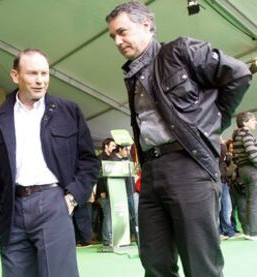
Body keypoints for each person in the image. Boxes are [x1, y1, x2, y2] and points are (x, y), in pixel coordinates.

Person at [106, 1, 252, 276]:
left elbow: (239, 74)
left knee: (200, 263)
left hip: (188, 165)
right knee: (155, 262)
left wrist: (213, 123)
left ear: (145, 24)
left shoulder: (180, 51)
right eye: (113, 35)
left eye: (122, 31)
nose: (117, 40)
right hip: (150, 171)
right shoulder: (132, 74)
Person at [0, 48, 99, 277]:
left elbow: (89, 161)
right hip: (12, 208)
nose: (40, 80)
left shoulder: (68, 111)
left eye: (45, 73)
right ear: (15, 76)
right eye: (33, 73)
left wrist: (71, 199)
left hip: (54, 202)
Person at [232, 112, 257, 240]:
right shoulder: (246, 134)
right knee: (254, 201)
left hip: (243, 170)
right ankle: (254, 233)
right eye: (253, 120)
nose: (255, 122)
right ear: (245, 122)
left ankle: (248, 231)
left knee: (249, 201)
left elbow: (235, 158)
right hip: (251, 170)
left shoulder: (237, 135)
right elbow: (253, 154)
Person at [96, 138, 118, 251]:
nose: (115, 147)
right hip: (104, 192)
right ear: (106, 146)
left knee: (112, 216)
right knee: (107, 216)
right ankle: (106, 240)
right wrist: (101, 191)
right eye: (113, 145)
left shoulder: (114, 158)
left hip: (115, 191)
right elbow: (98, 177)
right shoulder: (99, 158)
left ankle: (113, 239)